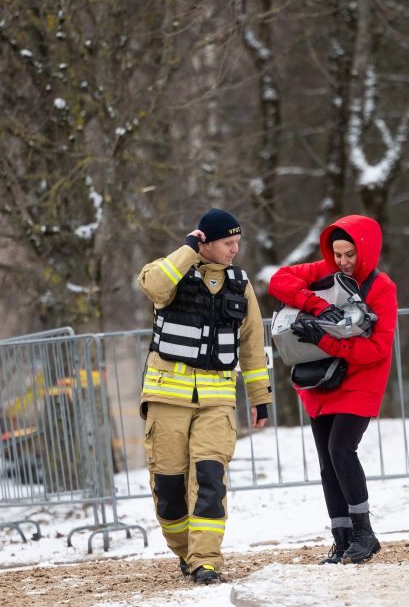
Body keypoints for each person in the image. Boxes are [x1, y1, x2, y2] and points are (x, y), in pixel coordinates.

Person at [137, 208, 272, 584]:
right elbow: (153, 287)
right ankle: (185, 551)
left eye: (237, 243)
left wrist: (260, 395)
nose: (234, 250)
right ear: (205, 242)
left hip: (217, 403)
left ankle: (206, 561)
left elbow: (252, 344)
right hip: (167, 400)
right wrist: (187, 251)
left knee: (210, 481)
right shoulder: (171, 272)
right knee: (169, 491)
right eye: (227, 243)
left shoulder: (240, 284)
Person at [268, 214, 397, 565]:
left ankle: (364, 532)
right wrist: (316, 306)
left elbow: (377, 349)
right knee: (327, 460)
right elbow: (278, 281)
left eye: (350, 254)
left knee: (342, 448)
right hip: (320, 378)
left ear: (366, 250)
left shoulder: (382, 287)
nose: (343, 262)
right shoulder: (325, 270)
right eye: (337, 254)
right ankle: (341, 539)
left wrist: (324, 338)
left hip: (361, 377)